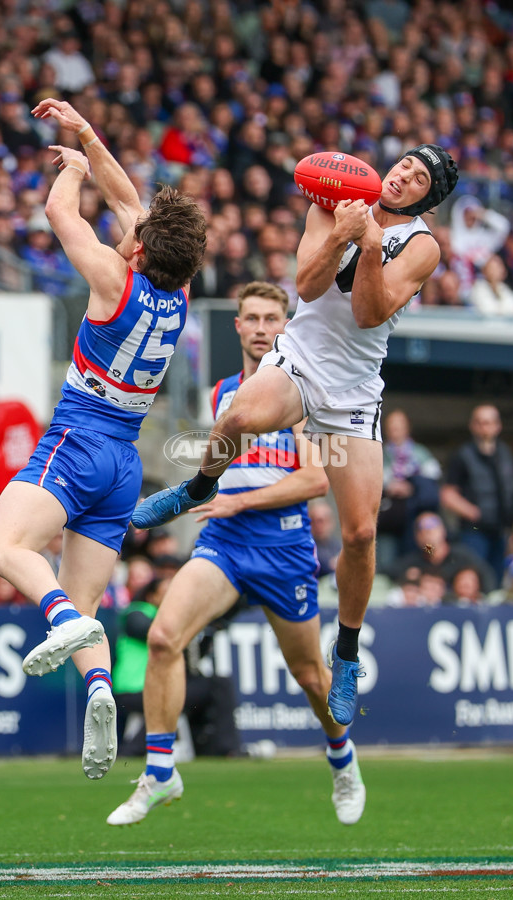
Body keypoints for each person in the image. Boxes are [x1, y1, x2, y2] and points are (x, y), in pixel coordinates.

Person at [131, 144, 459, 728]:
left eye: (419, 177)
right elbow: (306, 288)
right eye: (405, 164)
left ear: (425, 198)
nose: (405, 174)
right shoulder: (334, 201)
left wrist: (367, 245)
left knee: (359, 533)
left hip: (355, 390)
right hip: (300, 361)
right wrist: (342, 231)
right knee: (234, 418)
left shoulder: (422, 245)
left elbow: (367, 313)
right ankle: (198, 488)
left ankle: (349, 652)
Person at [0, 97, 207, 781]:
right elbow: (129, 199)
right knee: (84, 610)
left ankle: (56, 614)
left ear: (136, 247)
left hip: (76, 440)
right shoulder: (179, 291)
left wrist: (70, 168)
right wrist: (84, 132)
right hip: (123, 463)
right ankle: (101, 691)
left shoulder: (114, 278)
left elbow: (59, 214)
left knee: (1, 546)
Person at [107, 282, 366, 828]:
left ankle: (342, 759)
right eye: (251, 317)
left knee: (311, 676)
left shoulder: (299, 396)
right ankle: (159, 771)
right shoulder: (222, 392)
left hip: (283, 548)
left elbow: (315, 481)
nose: (262, 327)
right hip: (224, 544)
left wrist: (239, 500)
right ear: (238, 325)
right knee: (162, 636)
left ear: (285, 326)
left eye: (272, 318)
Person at [112, 577, 240, 758]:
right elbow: (154, 635)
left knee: (202, 687)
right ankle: (227, 748)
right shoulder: (137, 612)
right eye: (167, 593)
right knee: (215, 685)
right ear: (151, 596)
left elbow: (189, 658)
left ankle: (208, 746)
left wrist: (210, 631)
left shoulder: (174, 623)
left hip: (156, 687)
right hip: (135, 689)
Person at [440, 404, 513, 584]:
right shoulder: (463, 455)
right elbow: (448, 495)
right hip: (474, 531)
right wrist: (474, 513)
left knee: (498, 580)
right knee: (475, 579)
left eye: (489, 422)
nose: (485, 427)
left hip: (501, 530)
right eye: (480, 423)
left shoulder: (504, 453)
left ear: (498, 426)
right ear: (473, 426)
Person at [377, 408, 441, 573]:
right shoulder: (379, 453)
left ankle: (423, 590)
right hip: (388, 522)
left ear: (407, 428)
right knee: (387, 563)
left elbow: (434, 481)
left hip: (416, 521)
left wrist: (412, 487)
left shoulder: (420, 453)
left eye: (398, 427)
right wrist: (388, 487)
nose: (394, 431)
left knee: (424, 555)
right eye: (391, 427)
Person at [388, 511, 497, 595]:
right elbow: (387, 573)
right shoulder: (413, 562)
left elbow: (488, 578)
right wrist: (407, 578)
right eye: (422, 531)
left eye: (432, 528)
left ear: (443, 531)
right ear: (416, 538)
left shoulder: (462, 557)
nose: (427, 534)